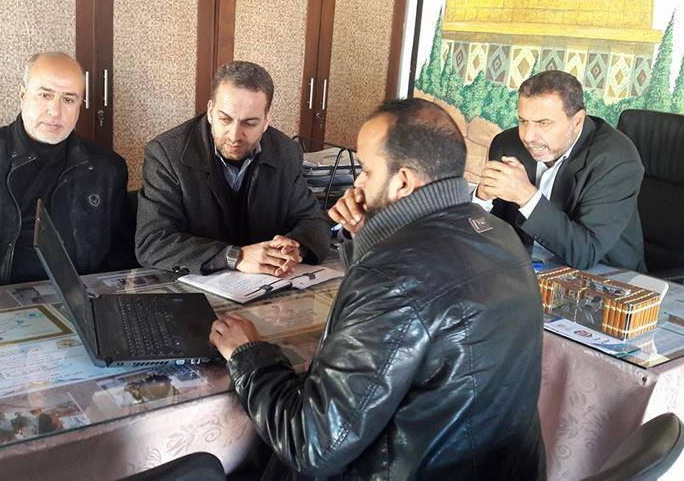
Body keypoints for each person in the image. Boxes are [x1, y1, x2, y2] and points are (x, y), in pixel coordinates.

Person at [210, 98, 546, 479]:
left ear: (402, 181)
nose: (357, 184)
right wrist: (371, 237)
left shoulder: (393, 276)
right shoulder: (500, 234)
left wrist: (249, 356)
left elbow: (314, 443)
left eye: (367, 171)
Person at [0, 52, 135, 294]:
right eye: (45, 95)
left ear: (79, 105)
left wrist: (92, 297)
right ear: (23, 95)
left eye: (68, 99)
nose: (55, 111)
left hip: (80, 300)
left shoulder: (108, 169)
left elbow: (121, 252)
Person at [135, 61, 330, 276]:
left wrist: (291, 250)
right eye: (225, 119)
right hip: (195, 286)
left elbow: (314, 223)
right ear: (210, 111)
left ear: (266, 120)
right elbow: (152, 242)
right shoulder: (166, 153)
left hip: (266, 285)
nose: (235, 135)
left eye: (250, 123)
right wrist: (235, 256)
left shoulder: (286, 152)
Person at [474, 70, 646, 271]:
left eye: (543, 123)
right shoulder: (507, 144)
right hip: (525, 271)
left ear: (577, 121)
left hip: (605, 277)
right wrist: (481, 200)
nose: (528, 136)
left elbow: (585, 252)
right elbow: (490, 230)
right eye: (523, 121)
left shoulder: (616, 160)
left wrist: (526, 197)